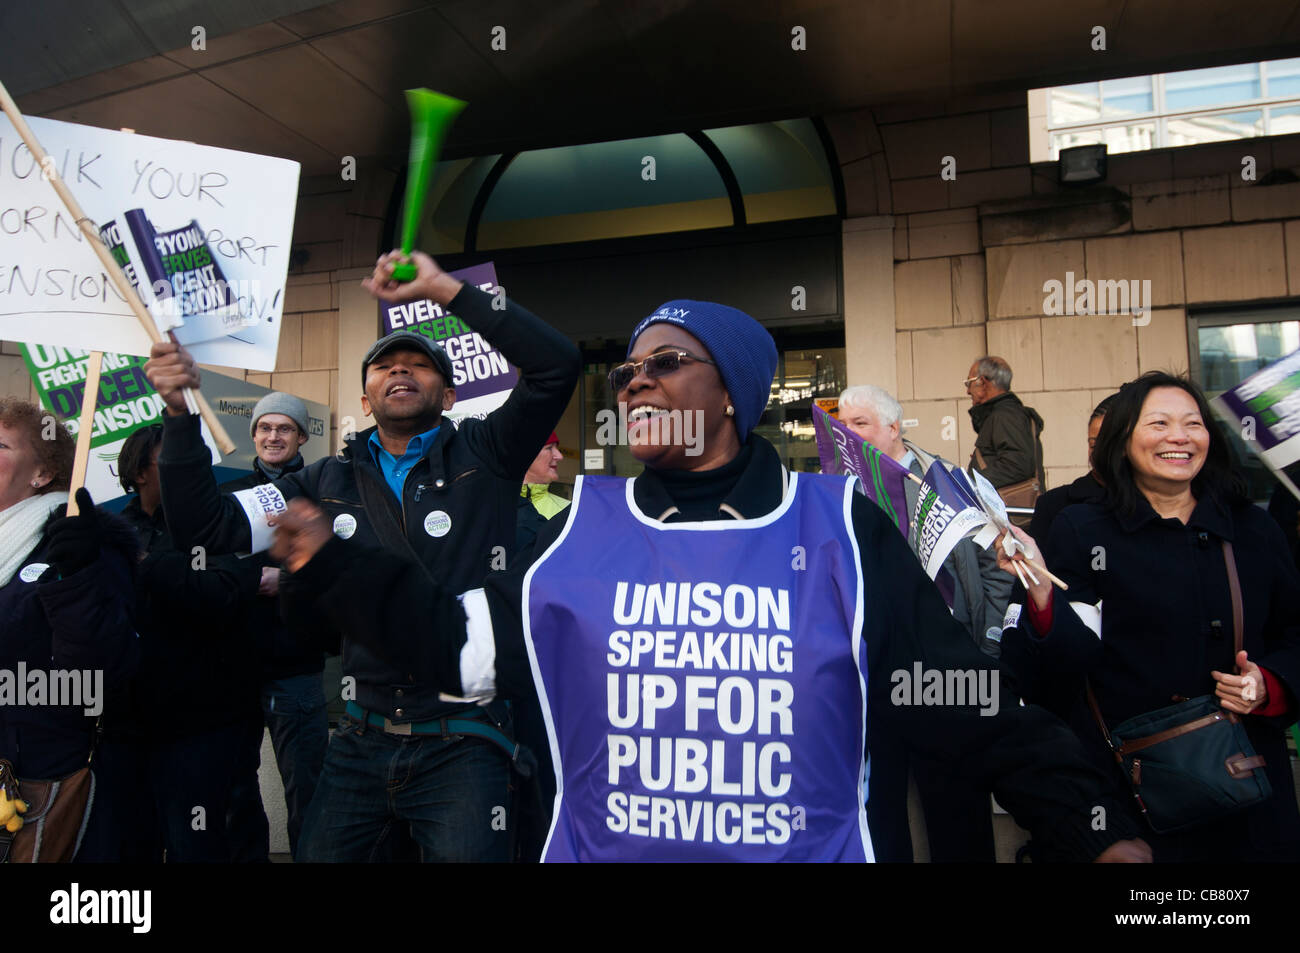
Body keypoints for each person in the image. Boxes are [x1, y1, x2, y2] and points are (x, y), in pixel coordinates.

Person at [270, 300, 1151, 862]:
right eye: (626, 371)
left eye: (666, 363)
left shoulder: (839, 525)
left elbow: (954, 695)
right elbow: (462, 646)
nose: (636, 380)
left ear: (730, 391)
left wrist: (1095, 826)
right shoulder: (579, 530)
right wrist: (335, 566)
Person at [143, 249, 581, 862]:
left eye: (419, 364)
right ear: (367, 398)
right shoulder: (322, 480)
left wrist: (444, 290)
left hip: (467, 739)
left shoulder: (490, 451)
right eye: (384, 366)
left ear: (450, 395)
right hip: (358, 739)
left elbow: (557, 366)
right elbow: (207, 526)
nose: (400, 371)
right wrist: (179, 413)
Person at [1000, 372, 1300, 862]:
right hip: (1134, 802)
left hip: (1252, 795)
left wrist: (1270, 683)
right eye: (1158, 423)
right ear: (1122, 441)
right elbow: (1052, 680)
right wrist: (1040, 598)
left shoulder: (1252, 527)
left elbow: (1293, 632)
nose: (1179, 436)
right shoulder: (1080, 529)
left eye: (1192, 423)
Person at [840, 384, 1011, 862]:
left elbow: (997, 564)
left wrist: (988, 644)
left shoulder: (948, 482)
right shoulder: (839, 491)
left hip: (948, 667)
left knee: (956, 805)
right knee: (880, 803)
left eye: (860, 424)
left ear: (893, 428)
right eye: (842, 425)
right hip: (874, 674)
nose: (847, 435)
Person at [114, 425, 262, 862]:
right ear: (140, 472)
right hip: (133, 725)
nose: (187, 467)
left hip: (207, 725)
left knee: (198, 843)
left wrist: (145, 565)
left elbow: (224, 593)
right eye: (171, 457)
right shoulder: (115, 530)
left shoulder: (219, 524)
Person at [0, 399, 138, 862]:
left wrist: (78, 577)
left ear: (41, 474)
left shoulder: (79, 543)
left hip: (41, 778)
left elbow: (100, 671)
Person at [221, 393, 328, 862]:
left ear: (302, 436)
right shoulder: (233, 494)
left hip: (297, 667)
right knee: (234, 792)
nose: (273, 437)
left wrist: (285, 582)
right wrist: (249, 579)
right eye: (265, 428)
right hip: (236, 665)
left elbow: (344, 573)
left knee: (308, 790)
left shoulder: (323, 492)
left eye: (284, 428)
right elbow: (210, 565)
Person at [1027, 394, 1116, 543]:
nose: (1101, 452)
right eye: (1093, 445)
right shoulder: (1053, 505)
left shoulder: (1157, 504)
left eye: (1111, 443)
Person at [965, 356, 1045, 501]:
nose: (967, 391)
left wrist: (970, 482)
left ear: (982, 382)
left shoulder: (1006, 416)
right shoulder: (1004, 415)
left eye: (969, 383)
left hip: (1011, 515)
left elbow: (1017, 465)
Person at [516, 431, 568, 554]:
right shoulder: (494, 507)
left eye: (557, 448)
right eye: (549, 448)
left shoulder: (572, 509)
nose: (559, 456)